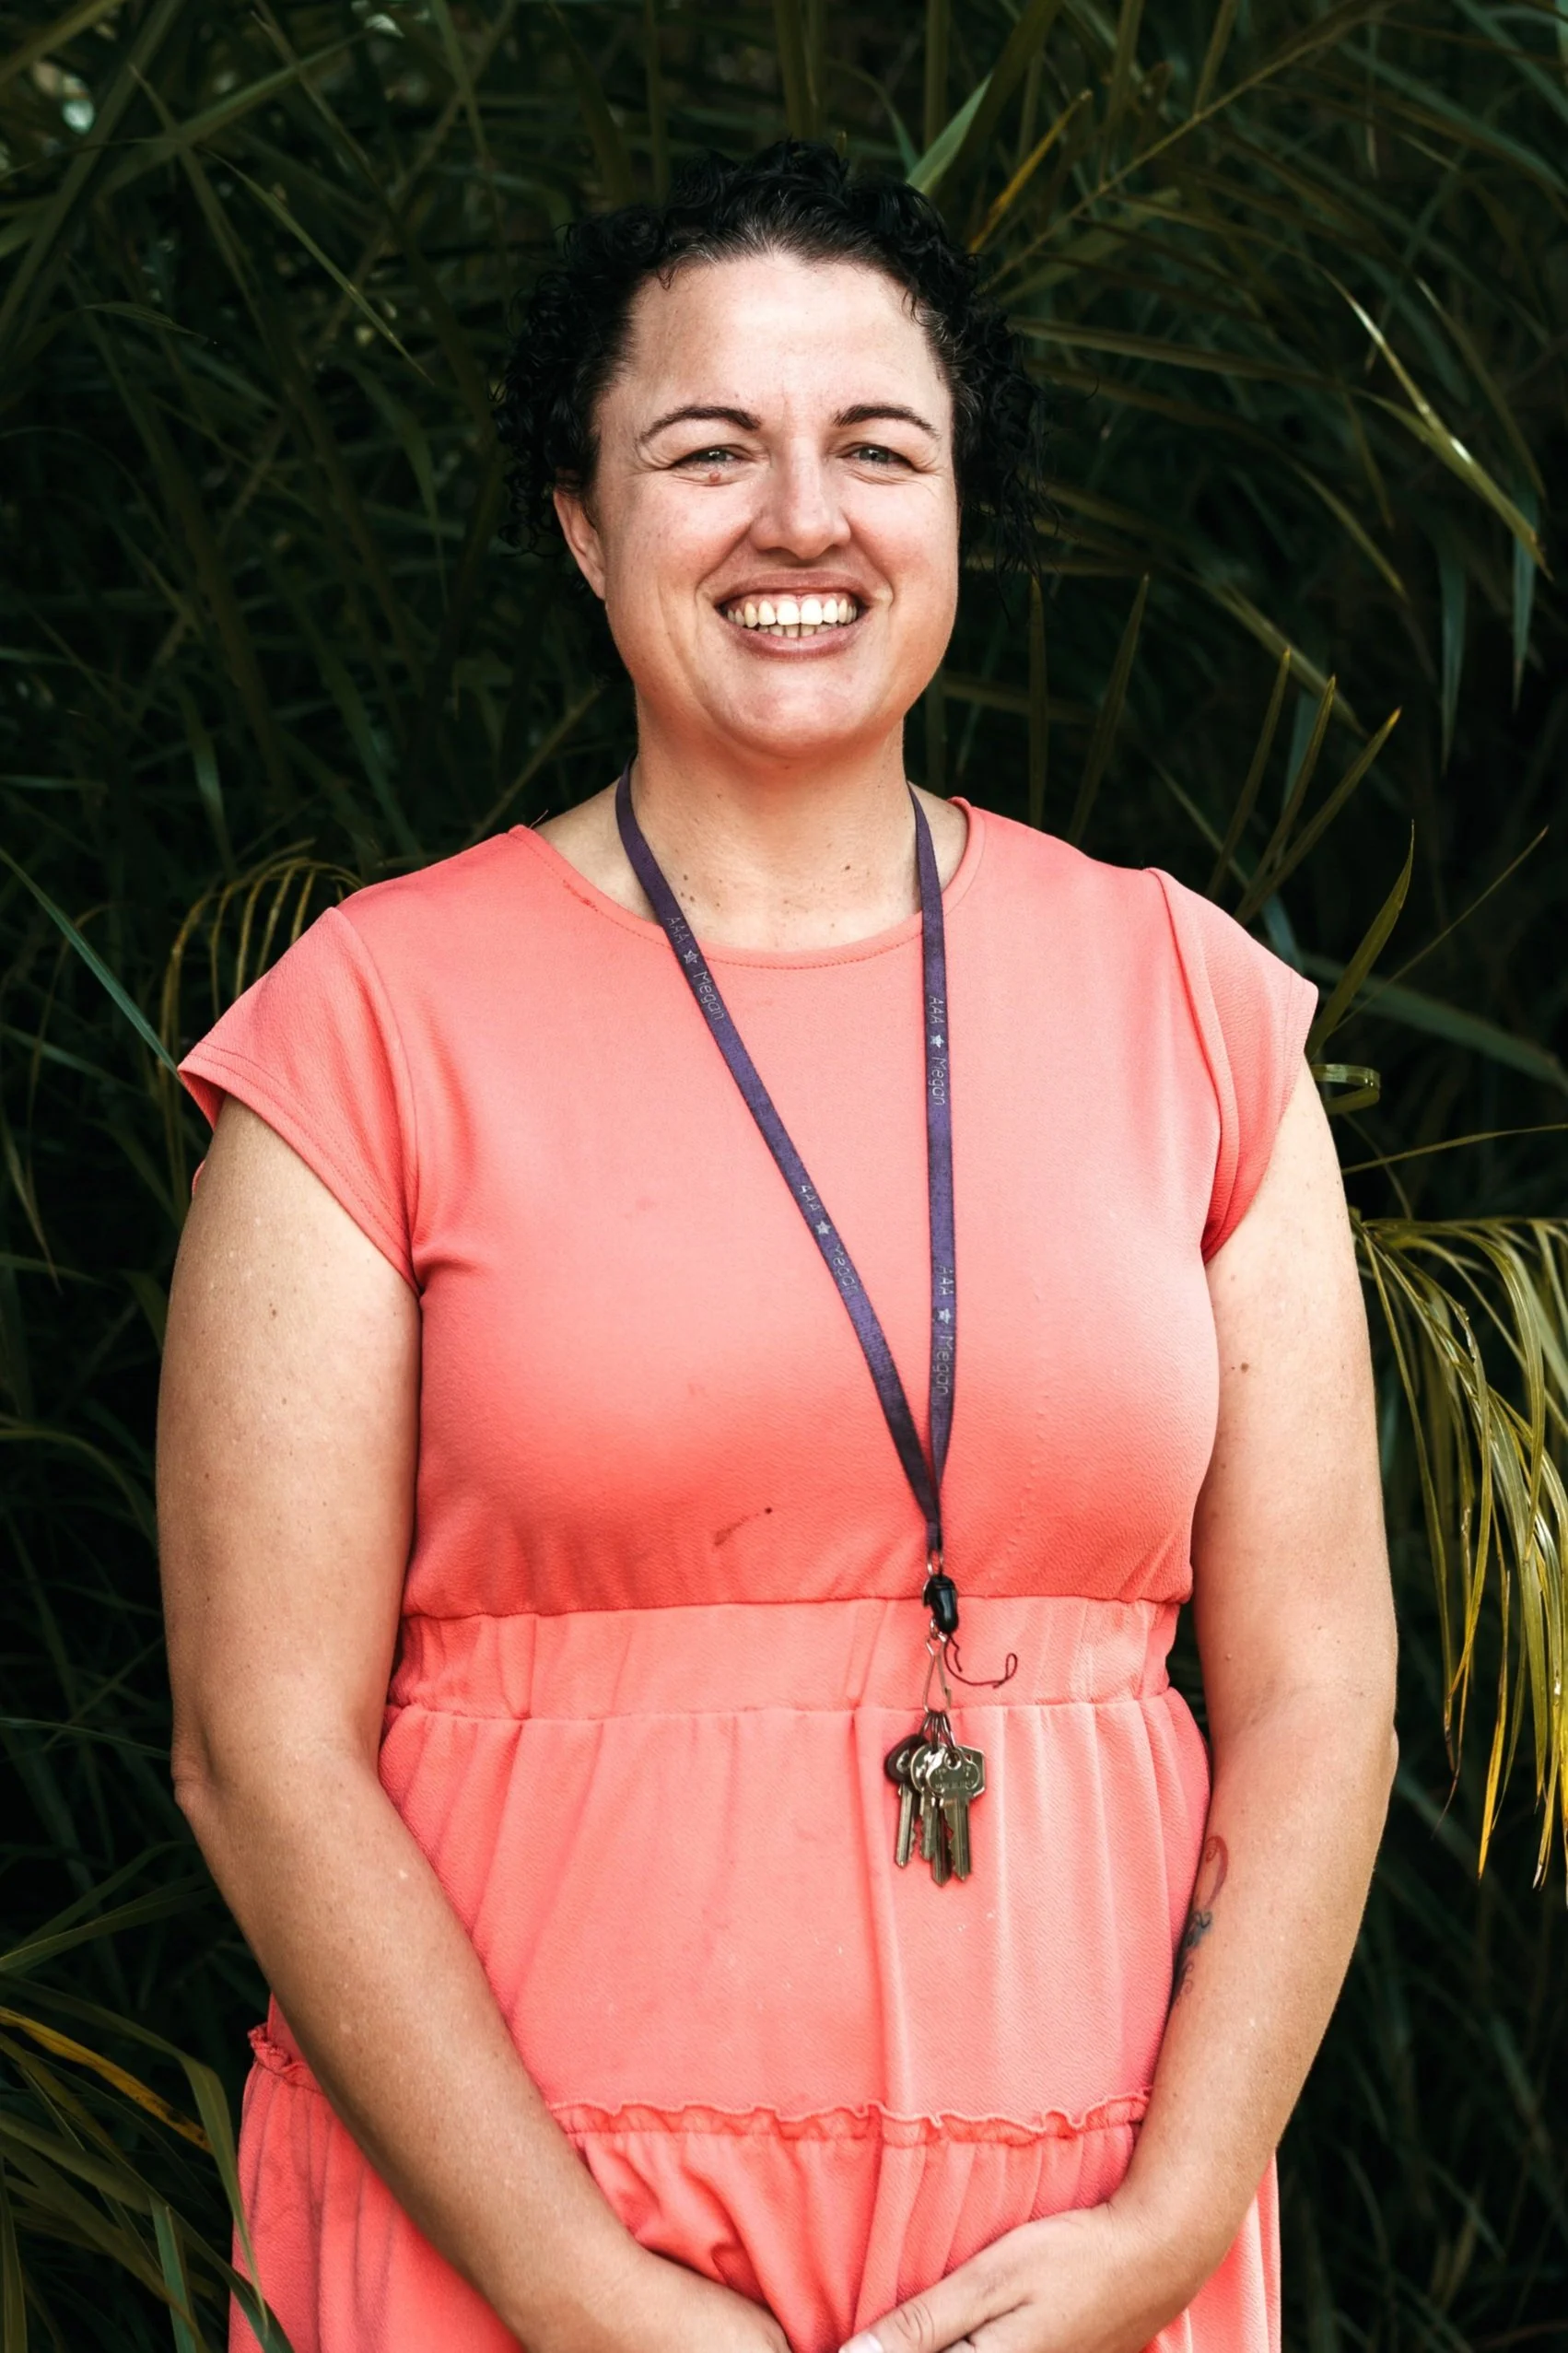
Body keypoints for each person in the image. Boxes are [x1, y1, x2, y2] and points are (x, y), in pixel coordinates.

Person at [157, 141, 1398, 2353]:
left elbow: (1314, 1689)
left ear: (954, 514)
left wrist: (1170, 2222)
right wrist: (575, 2289)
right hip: (517, 2256)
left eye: (877, 449)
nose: (800, 519)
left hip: (1074, 2256)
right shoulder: (367, 1028)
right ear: (579, 515)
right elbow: (262, 1748)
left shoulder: (1187, 1006)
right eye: (706, 449)